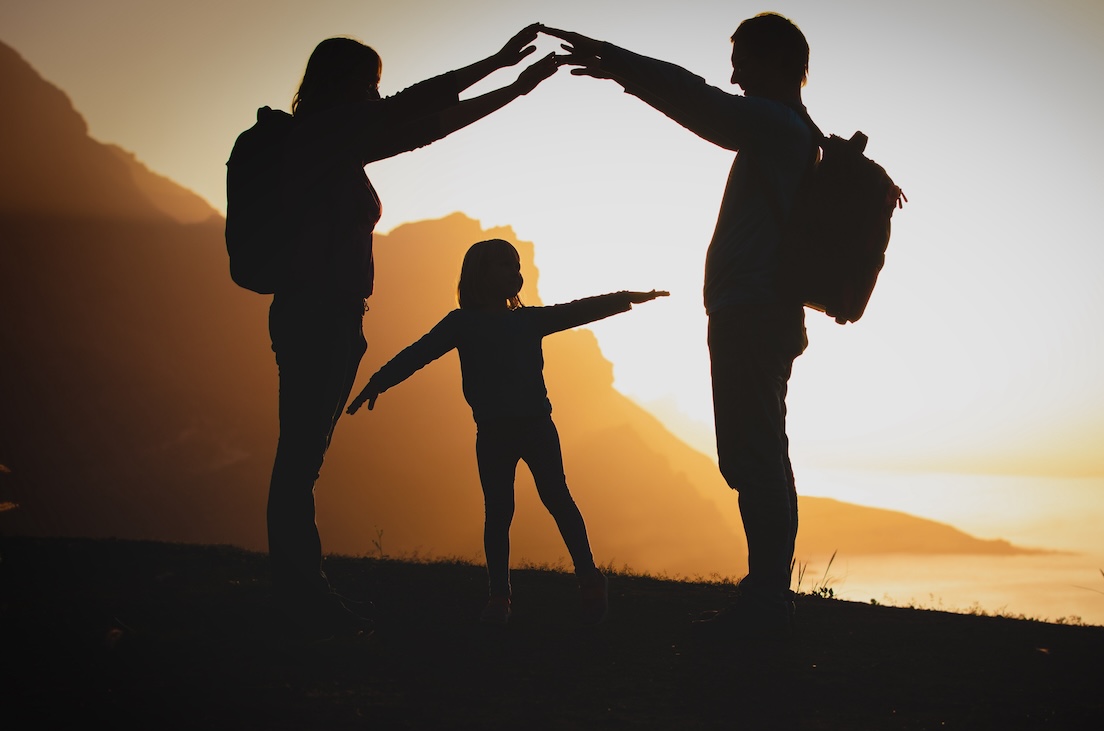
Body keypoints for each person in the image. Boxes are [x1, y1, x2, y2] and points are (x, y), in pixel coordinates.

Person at [258, 26, 562, 638]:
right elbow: (419, 118)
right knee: (299, 462)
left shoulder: (329, 144)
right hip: (316, 316)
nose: (377, 97)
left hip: (328, 315)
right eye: (367, 86)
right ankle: (301, 596)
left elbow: (414, 112)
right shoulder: (322, 138)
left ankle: (299, 590)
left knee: (302, 457)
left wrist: (502, 70)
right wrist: (507, 79)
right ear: (338, 86)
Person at [540, 14, 818, 635]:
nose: (735, 73)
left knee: (753, 456)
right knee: (762, 453)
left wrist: (619, 64)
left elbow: (704, 106)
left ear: (776, 62)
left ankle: (767, 601)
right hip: (761, 312)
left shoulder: (775, 125)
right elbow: (710, 102)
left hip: (754, 311)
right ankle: (768, 593)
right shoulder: (798, 132)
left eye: (743, 59)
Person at [346, 239, 668, 626]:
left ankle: (588, 577)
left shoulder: (528, 320)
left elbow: (579, 311)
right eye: (504, 265)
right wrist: (379, 381)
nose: (515, 273)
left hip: (537, 427)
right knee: (499, 511)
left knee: (556, 497)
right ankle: (499, 597)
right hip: (493, 433)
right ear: (480, 274)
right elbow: (419, 353)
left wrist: (627, 298)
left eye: (517, 266)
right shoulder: (461, 324)